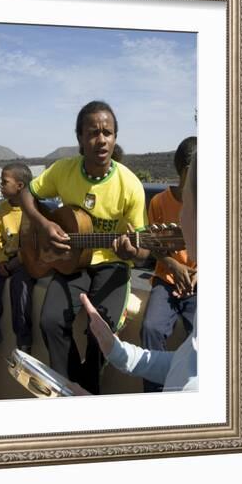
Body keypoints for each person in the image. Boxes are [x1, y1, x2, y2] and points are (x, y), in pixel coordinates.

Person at [19, 100, 148, 394]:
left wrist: (132, 252)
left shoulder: (130, 185)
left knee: (99, 332)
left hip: (113, 264)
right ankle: (66, 387)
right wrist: (41, 223)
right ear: (79, 138)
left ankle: (86, 394)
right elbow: (27, 192)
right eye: (93, 132)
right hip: (73, 262)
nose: (101, 139)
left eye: (108, 132)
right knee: (50, 321)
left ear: (115, 138)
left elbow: (143, 249)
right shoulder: (63, 170)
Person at [80, 150, 198, 392]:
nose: (178, 218)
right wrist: (116, 351)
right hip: (165, 281)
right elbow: (184, 364)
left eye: (186, 205)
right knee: (152, 328)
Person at [140, 136, 197, 392]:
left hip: (197, 283)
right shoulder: (159, 202)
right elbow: (153, 245)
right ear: (187, 170)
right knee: (150, 329)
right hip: (166, 280)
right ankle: (156, 397)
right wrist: (174, 266)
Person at [0, 162, 36, 353]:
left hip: (24, 262)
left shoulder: (32, 209)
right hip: (5, 261)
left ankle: (24, 341)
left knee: (19, 289)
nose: (1, 186)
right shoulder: (2, 209)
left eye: (5, 182)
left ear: (19, 186)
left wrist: (13, 264)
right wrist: (1, 260)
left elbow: (31, 246)